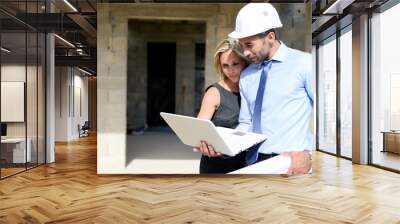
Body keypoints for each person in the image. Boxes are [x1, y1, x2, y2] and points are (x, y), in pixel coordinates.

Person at [197, 3, 313, 175]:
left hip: (290, 162)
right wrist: (226, 145)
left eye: (249, 45)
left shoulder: (305, 63)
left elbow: (327, 115)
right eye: (242, 45)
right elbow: (246, 122)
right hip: (252, 162)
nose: (245, 52)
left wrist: (310, 155)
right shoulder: (247, 75)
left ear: (271, 37)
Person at [194, 38, 248, 174]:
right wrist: (203, 145)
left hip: (247, 163)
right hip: (216, 165)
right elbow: (199, 129)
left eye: (235, 64)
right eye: (225, 65)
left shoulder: (251, 90)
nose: (231, 70)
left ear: (245, 62)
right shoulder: (214, 92)